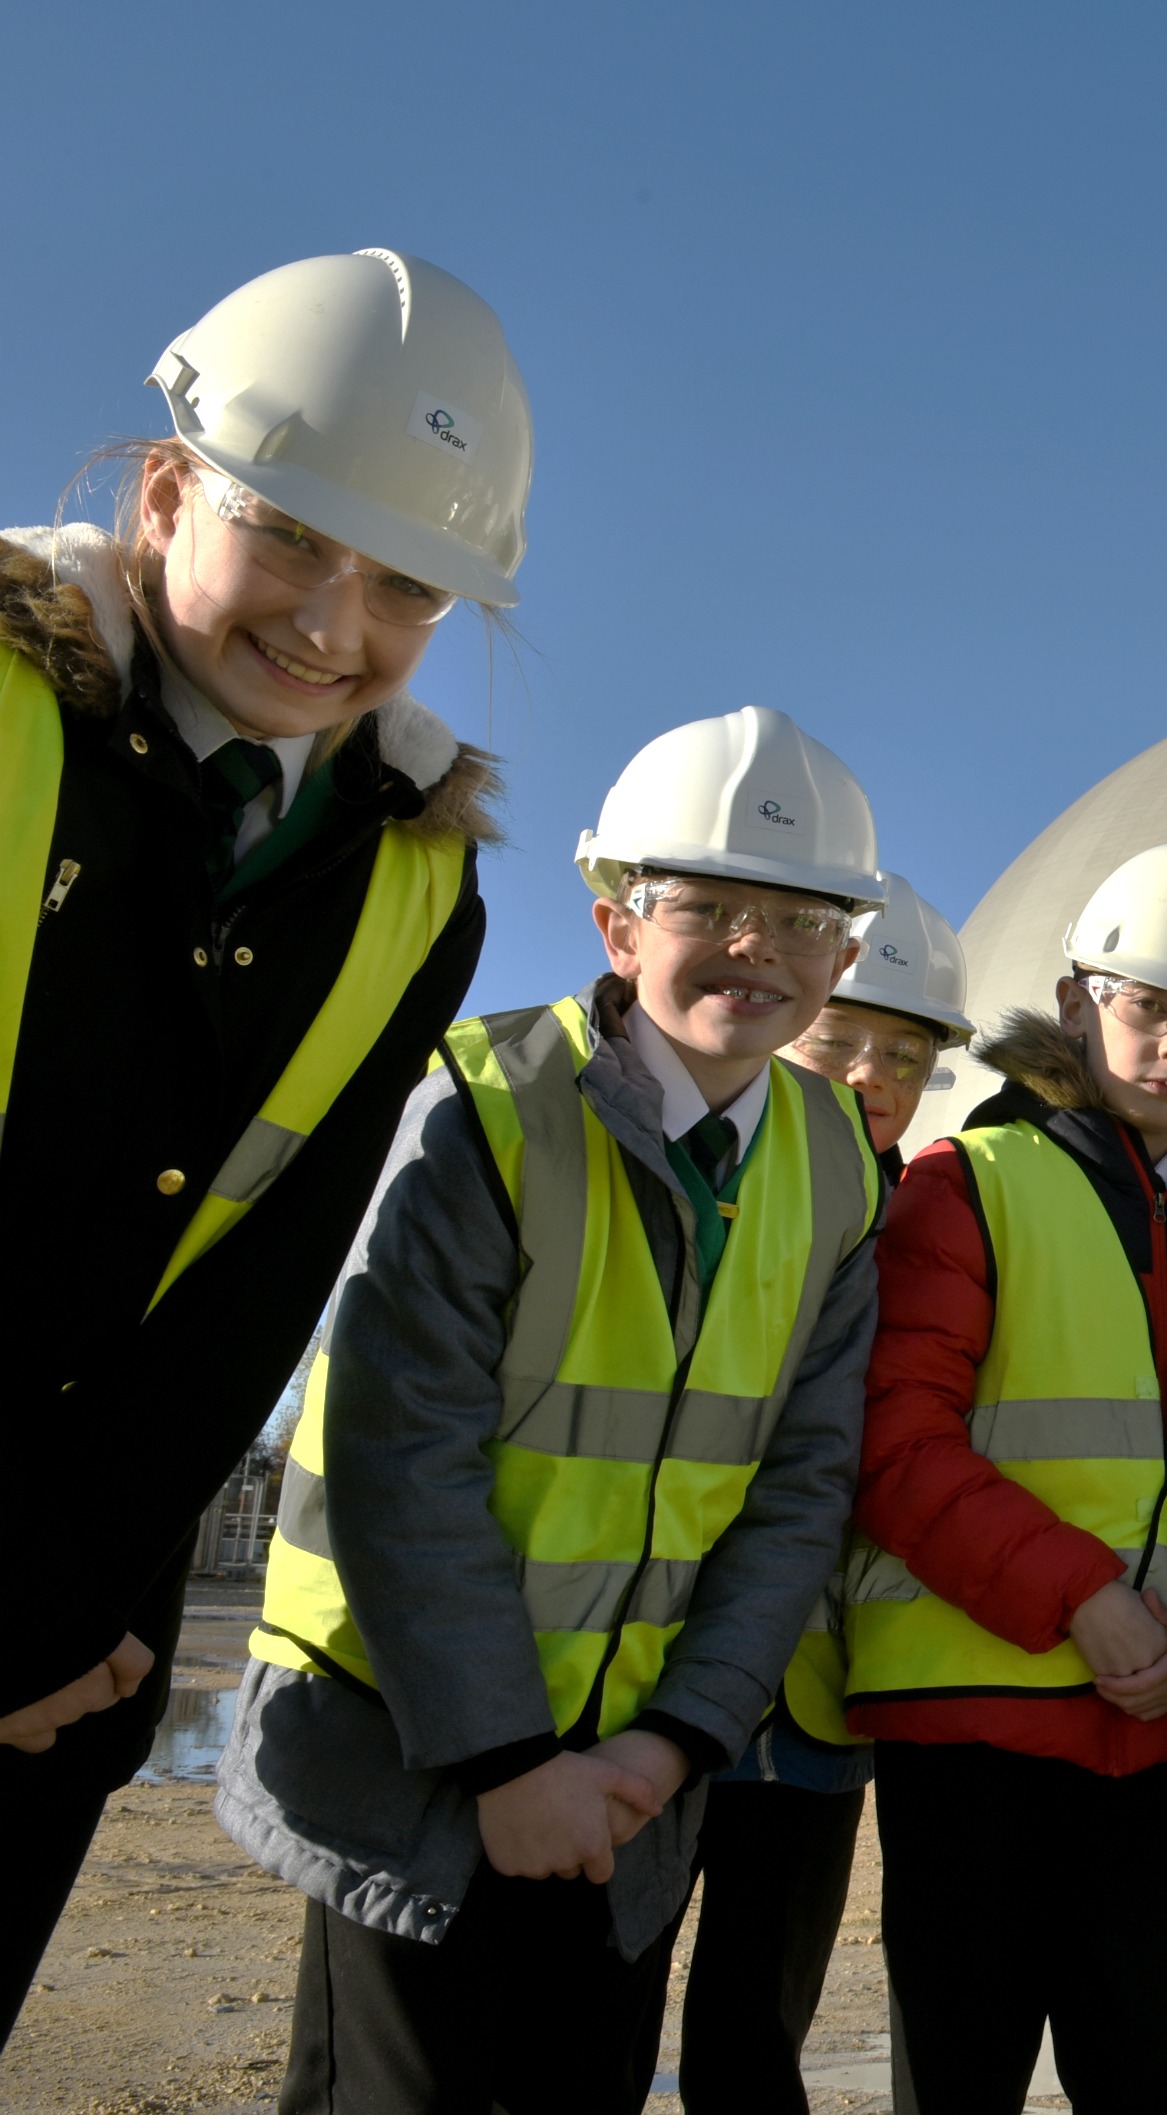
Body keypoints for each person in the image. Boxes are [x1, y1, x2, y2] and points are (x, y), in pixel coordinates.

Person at [214, 706, 889, 2115]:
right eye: (706, 902)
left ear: (845, 952)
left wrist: (673, 1741)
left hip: (632, 1790)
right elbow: (405, 1461)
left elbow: (797, 1487)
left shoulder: (834, 1163)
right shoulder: (484, 1106)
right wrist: (511, 1762)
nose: (754, 945)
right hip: (415, 1758)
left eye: (800, 916)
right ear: (614, 923)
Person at [0, 249, 521, 2042]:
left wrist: (67, 1602)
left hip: (70, 1637)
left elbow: (262, 1280)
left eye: (401, 585)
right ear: (163, 493)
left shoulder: (408, 880)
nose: (329, 622)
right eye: (289, 535)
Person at [844, 836, 1167, 2113]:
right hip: (973, 1715)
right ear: (1083, 995)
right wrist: (1086, 1599)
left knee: (1145, 2070)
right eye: (1150, 1007)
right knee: (962, 2070)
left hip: (1155, 1727)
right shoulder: (963, 1186)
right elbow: (898, 1444)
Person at [678, 869, 974, 2115]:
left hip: (808, 1702)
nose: (868, 1076)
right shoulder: (681, 1182)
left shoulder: (926, 1227)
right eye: (842, 1040)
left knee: (756, 2023)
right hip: (646, 1670)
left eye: (902, 1056)